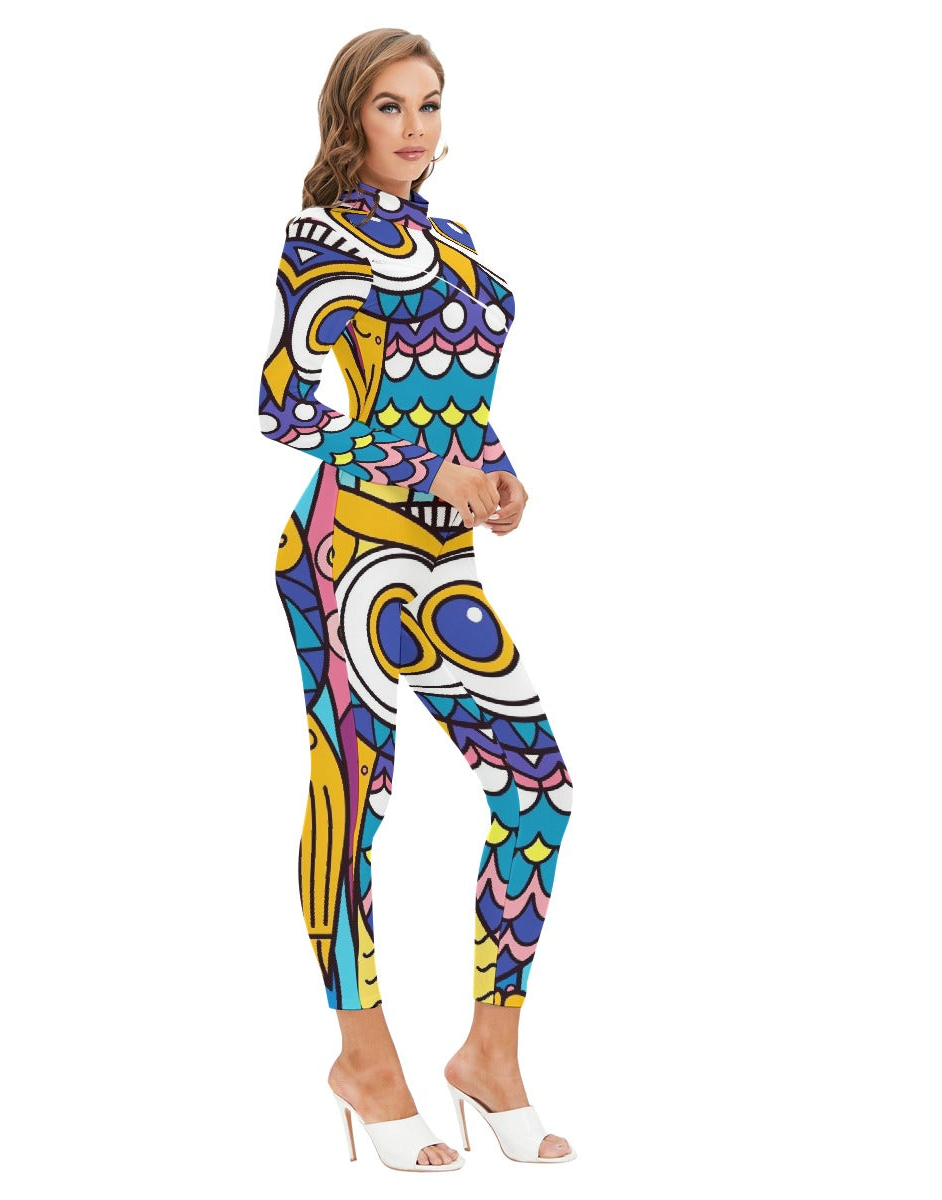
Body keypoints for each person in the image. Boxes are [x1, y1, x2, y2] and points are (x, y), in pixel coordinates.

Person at [258, 29, 576, 1170]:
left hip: (442, 559)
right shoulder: (321, 239)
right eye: (390, 106)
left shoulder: (453, 242)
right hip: (344, 551)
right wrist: (428, 468)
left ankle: (490, 1055)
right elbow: (287, 410)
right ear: (351, 115)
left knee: (538, 787)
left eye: (430, 104)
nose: (415, 128)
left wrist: (496, 478)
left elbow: (462, 406)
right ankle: (365, 1058)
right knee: (358, 794)